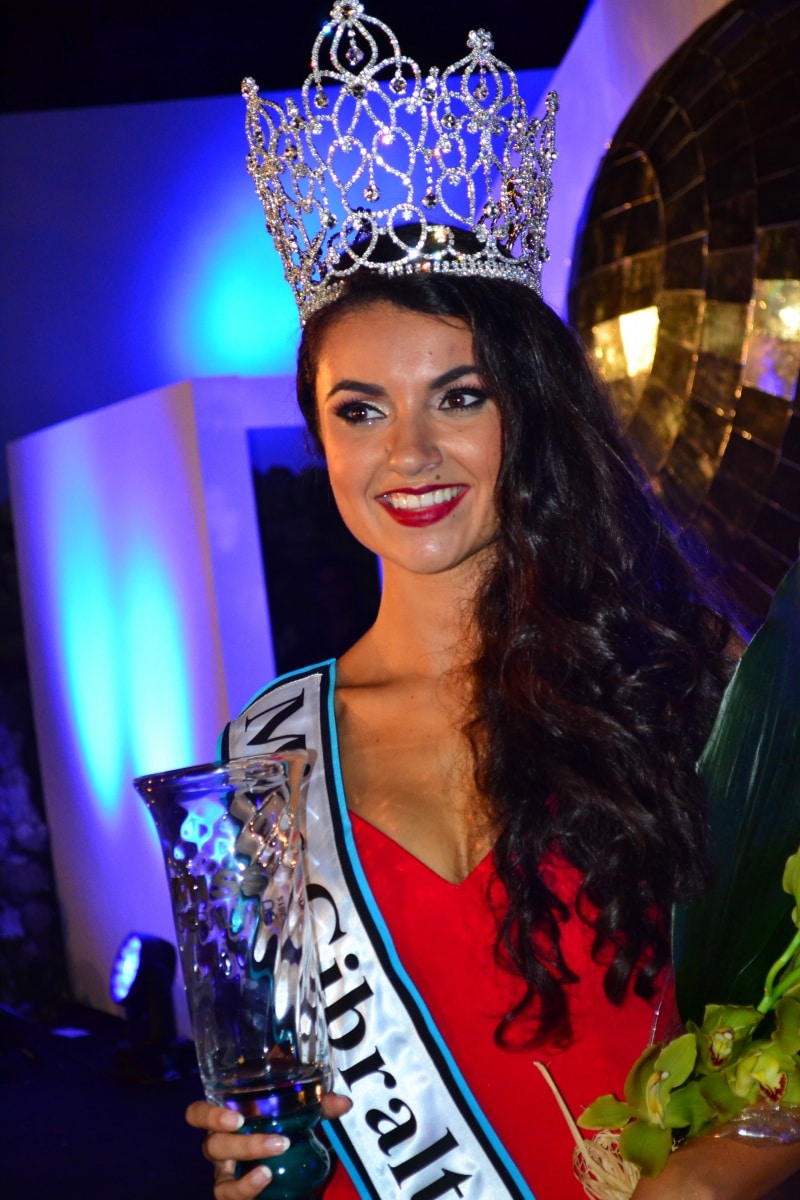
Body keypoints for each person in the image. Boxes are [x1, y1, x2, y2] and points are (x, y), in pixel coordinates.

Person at [185, 7, 800, 1199]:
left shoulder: (679, 682)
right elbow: (282, 1071)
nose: (407, 453)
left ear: (527, 415)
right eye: (359, 410)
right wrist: (251, 1149)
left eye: (457, 397)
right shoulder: (269, 750)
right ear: (320, 440)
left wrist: (703, 1178)